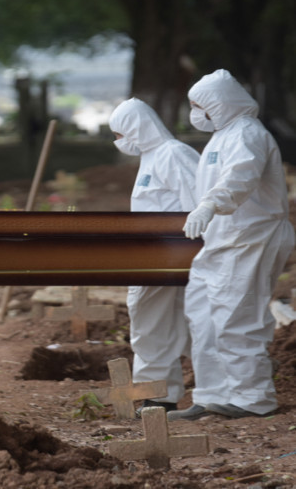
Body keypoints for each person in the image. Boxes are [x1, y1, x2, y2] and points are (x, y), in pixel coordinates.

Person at [170, 69, 295, 420]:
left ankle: (253, 398)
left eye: (199, 106)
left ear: (218, 104)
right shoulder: (222, 135)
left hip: (250, 238)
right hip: (223, 240)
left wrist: (211, 204)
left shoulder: (247, 134)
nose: (196, 114)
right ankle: (212, 395)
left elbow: (240, 176)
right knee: (203, 315)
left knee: (237, 318)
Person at [109, 98, 199, 413]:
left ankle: (207, 393)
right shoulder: (152, 158)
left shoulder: (174, 155)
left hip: (176, 256)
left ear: (135, 128)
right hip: (155, 256)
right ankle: (159, 397)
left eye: (120, 133)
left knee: (167, 323)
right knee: (152, 323)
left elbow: (199, 205)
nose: (118, 142)